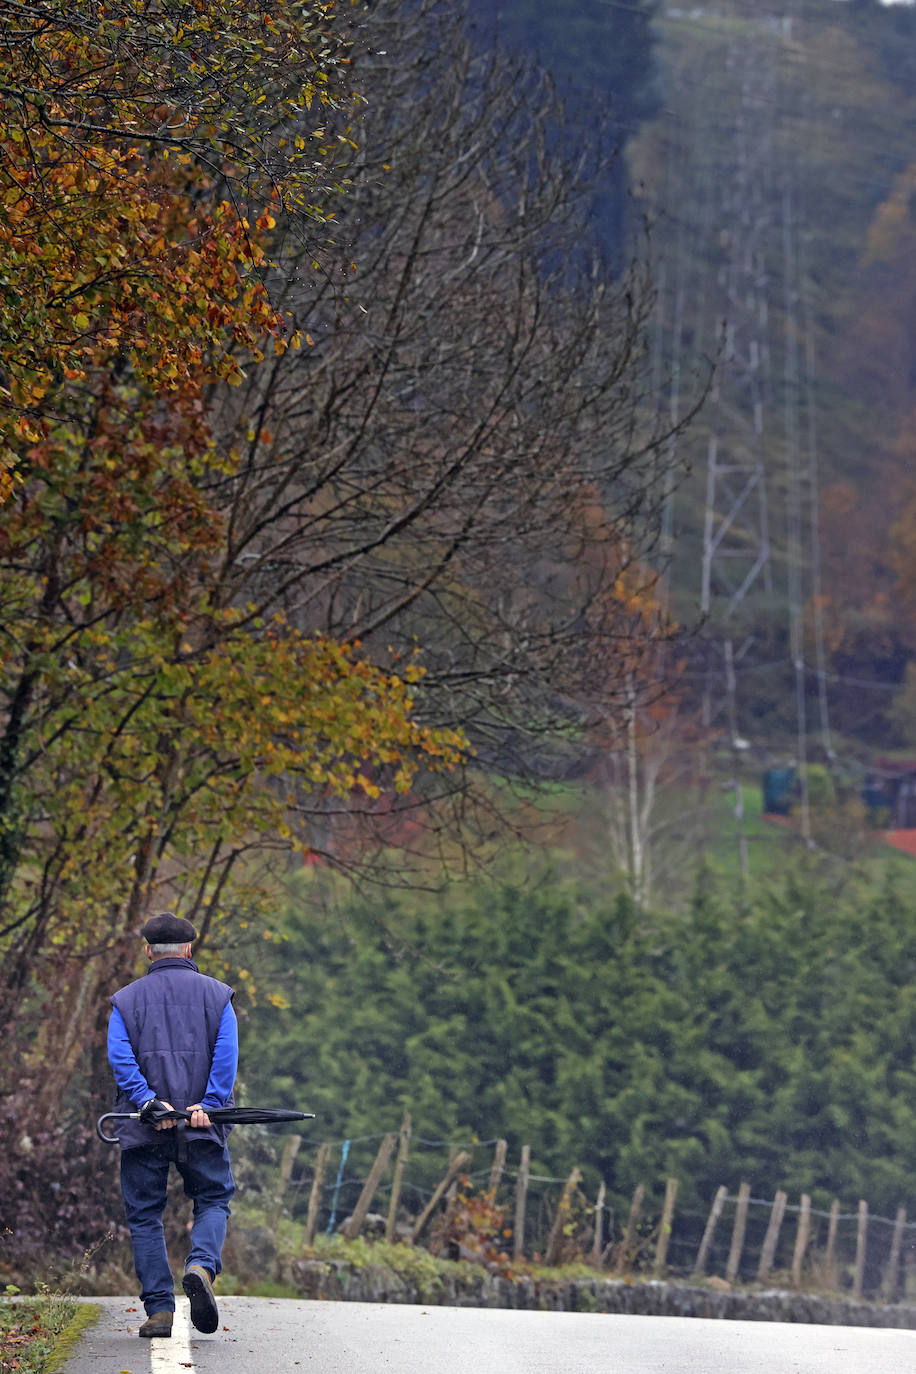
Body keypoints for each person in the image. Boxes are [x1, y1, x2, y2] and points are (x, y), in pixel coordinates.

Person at [107, 911, 238, 1339]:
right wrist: (210, 1104)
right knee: (214, 1199)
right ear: (189, 950)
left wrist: (148, 1102)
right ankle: (200, 1265)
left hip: (146, 1127)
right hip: (202, 1122)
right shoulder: (219, 997)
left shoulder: (124, 1001)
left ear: (148, 950)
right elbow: (226, 1056)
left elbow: (120, 1057)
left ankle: (160, 1312)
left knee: (145, 1216)